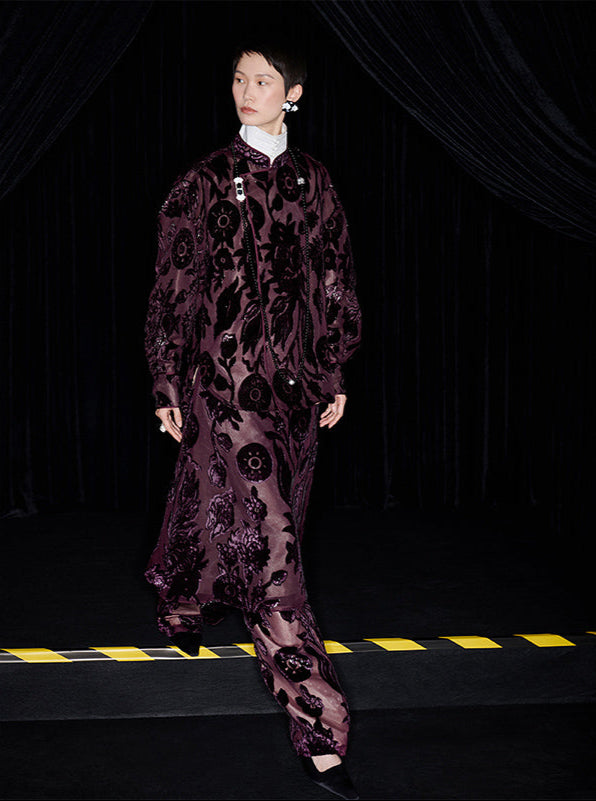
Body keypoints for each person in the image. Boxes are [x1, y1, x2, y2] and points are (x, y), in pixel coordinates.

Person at [143, 42, 362, 800]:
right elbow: (174, 286)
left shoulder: (314, 181)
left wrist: (333, 368)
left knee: (244, 506)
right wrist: (167, 378)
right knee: (274, 546)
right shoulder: (204, 180)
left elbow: (333, 279)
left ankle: (183, 591)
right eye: (239, 77)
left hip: (293, 390)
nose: (247, 89)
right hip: (223, 385)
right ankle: (320, 725)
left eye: (263, 80)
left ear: (292, 92)